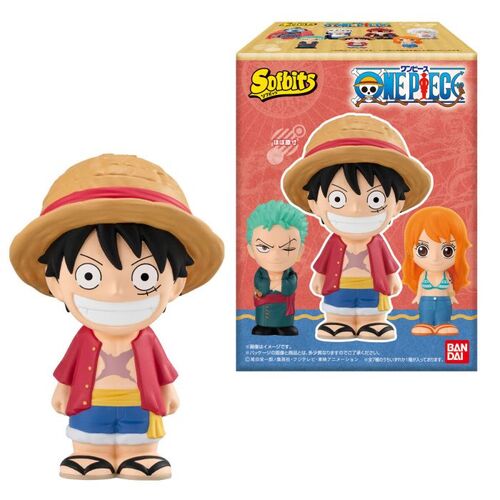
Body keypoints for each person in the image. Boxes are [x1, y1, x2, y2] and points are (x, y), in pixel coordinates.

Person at [9, 154, 224, 480]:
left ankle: (138, 454)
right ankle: (89, 454)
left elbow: (162, 371)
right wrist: (62, 389)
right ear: (55, 283)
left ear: (177, 284)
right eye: (90, 276)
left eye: (143, 277)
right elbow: (68, 370)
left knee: (137, 434)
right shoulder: (85, 339)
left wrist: (168, 391)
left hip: (139, 402)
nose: (113, 291)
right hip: (91, 401)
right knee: (89, 432)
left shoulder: (146, 339)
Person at [281, 113, 432, 341]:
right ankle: (337, 322)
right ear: (314, 204)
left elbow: (389, 266)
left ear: (397, 205)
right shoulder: (334, 242)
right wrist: (318, 277)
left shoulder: (377, 243)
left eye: (375, 199)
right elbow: (323, 265)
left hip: (372, 288)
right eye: (338, 199)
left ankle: (373, 323)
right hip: (338, 287)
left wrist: (392, 278)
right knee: (337, 308)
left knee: (372, 310)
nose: (353, 210)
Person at [402, 206, 471, 336]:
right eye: (422, 250)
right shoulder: (424, 275)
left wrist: (452, 296)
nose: (434, 258)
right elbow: (420, 289)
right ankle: (425, 323)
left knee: (443, 316)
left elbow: (449, 288)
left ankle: (443, 323)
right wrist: (418, 296)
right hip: (426, 301)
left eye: (447, 250)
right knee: (425, 315)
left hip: (443, 301)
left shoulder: (446, 275)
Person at [246, 200, 308, 335]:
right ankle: (264, 326)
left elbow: (290, 286)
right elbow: (260, 285)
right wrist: (275, 285)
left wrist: (275, 285)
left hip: (283, 308)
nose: (275, 256)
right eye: (264, 248)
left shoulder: (290, 274)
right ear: (251, 250)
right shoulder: (260, 274)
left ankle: (284, 327)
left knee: (284, 320)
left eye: (288, 248)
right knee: (264, 320)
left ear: (300, 251)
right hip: (266, 308)